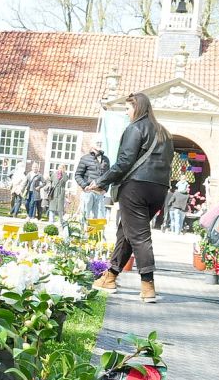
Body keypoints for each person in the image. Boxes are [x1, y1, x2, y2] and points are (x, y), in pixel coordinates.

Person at [87, 92, 174, 303]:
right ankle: (110, 277)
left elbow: (124, 161)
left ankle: (148, 286)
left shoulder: (135, 128)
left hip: (136, 187)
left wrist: (101, 181)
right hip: (159, 188)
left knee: (139, 236)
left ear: (138, 108)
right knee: (126, 231)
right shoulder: (165, 133)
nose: (127, 113)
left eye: (128, 109)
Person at [74, 140, 110, 221]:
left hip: (100, 193)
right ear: (93, 145)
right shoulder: (85, 158)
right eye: (97, 143)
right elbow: (77, 175)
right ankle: (83, 233)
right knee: (84, 217)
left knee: (100, 219)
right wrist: (84, 186)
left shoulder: (106, 160)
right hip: (88, 192)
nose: (99, 145)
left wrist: (105, 189)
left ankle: (97, 234)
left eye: (100, 143)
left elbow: (108, 176)